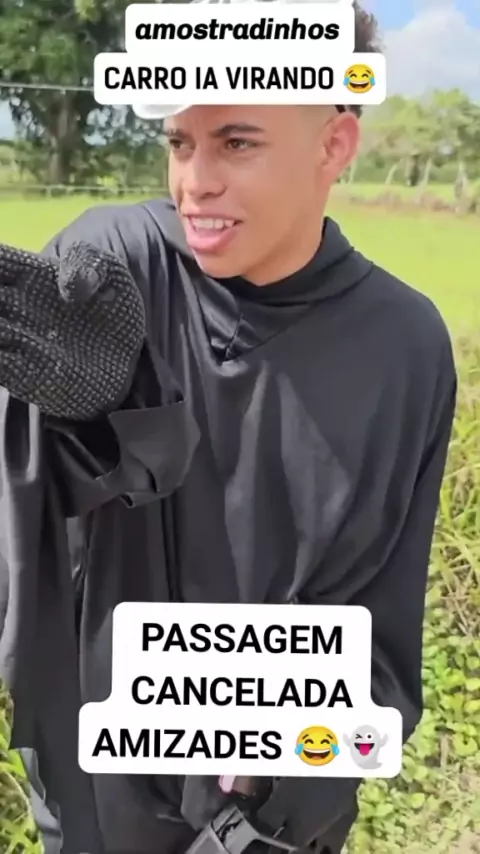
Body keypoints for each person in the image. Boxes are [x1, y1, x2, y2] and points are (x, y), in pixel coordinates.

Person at [0, 4, 457, 854]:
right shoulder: (115, 269)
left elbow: (380, 617)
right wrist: (83, 425)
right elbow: (30, 526)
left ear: (334, 144)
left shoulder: (406, 346)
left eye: (237, 142)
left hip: (280, 817)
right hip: (101, 803)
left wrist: (278, 790)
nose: (195, 182)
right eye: (180, 143)